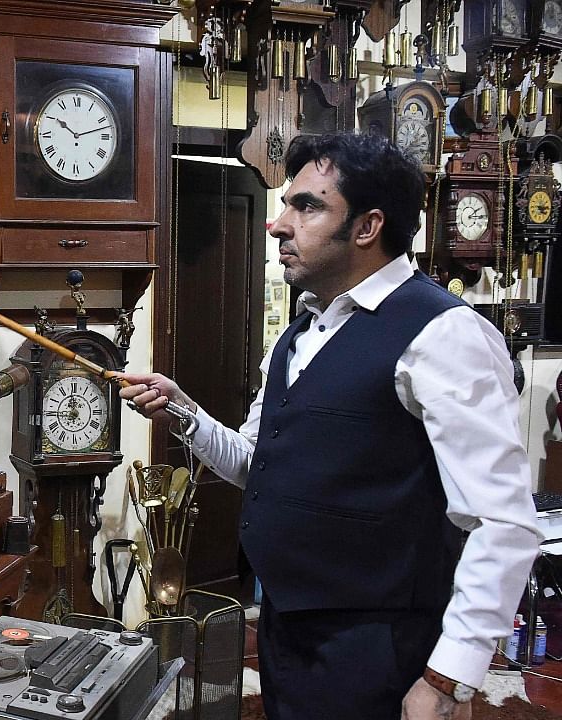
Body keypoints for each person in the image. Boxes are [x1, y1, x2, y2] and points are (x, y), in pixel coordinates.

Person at [119, 133, 540, 720]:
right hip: (287, 631)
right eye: (288, 204)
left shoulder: (445, 334)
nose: (279, 225)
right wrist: (184, 412)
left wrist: (447, 679)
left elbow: (503, 521)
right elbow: (254, 461)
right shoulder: (300, 333)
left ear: (367, 227)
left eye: (307, 206)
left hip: (380, 646)